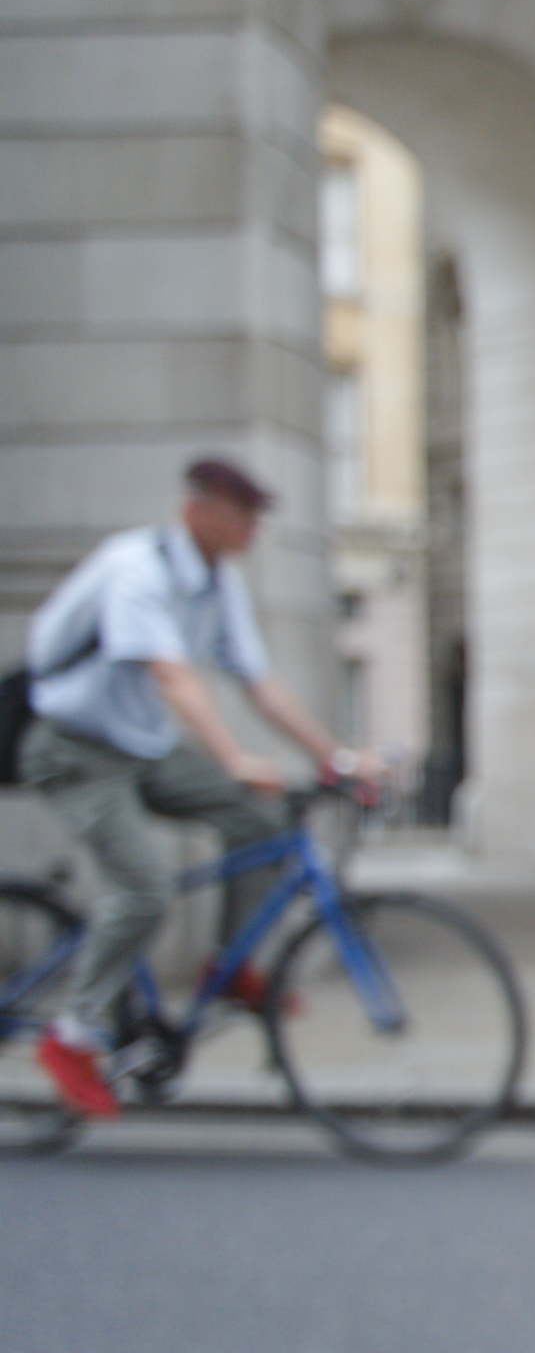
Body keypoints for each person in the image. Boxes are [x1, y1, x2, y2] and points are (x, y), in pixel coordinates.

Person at [19, 457, 371, 1120]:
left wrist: (339, 758)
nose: (253, 528)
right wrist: (233, 755)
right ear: (197, 512)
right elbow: (173, 676)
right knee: (144, 890)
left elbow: (261, 685)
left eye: (257, 515)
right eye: (242, 513)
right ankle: (73, 1034)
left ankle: (228, 968)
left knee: (261, 821)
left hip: (142, 745)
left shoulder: (219, 584)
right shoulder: (135, 570)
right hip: (76, 750)